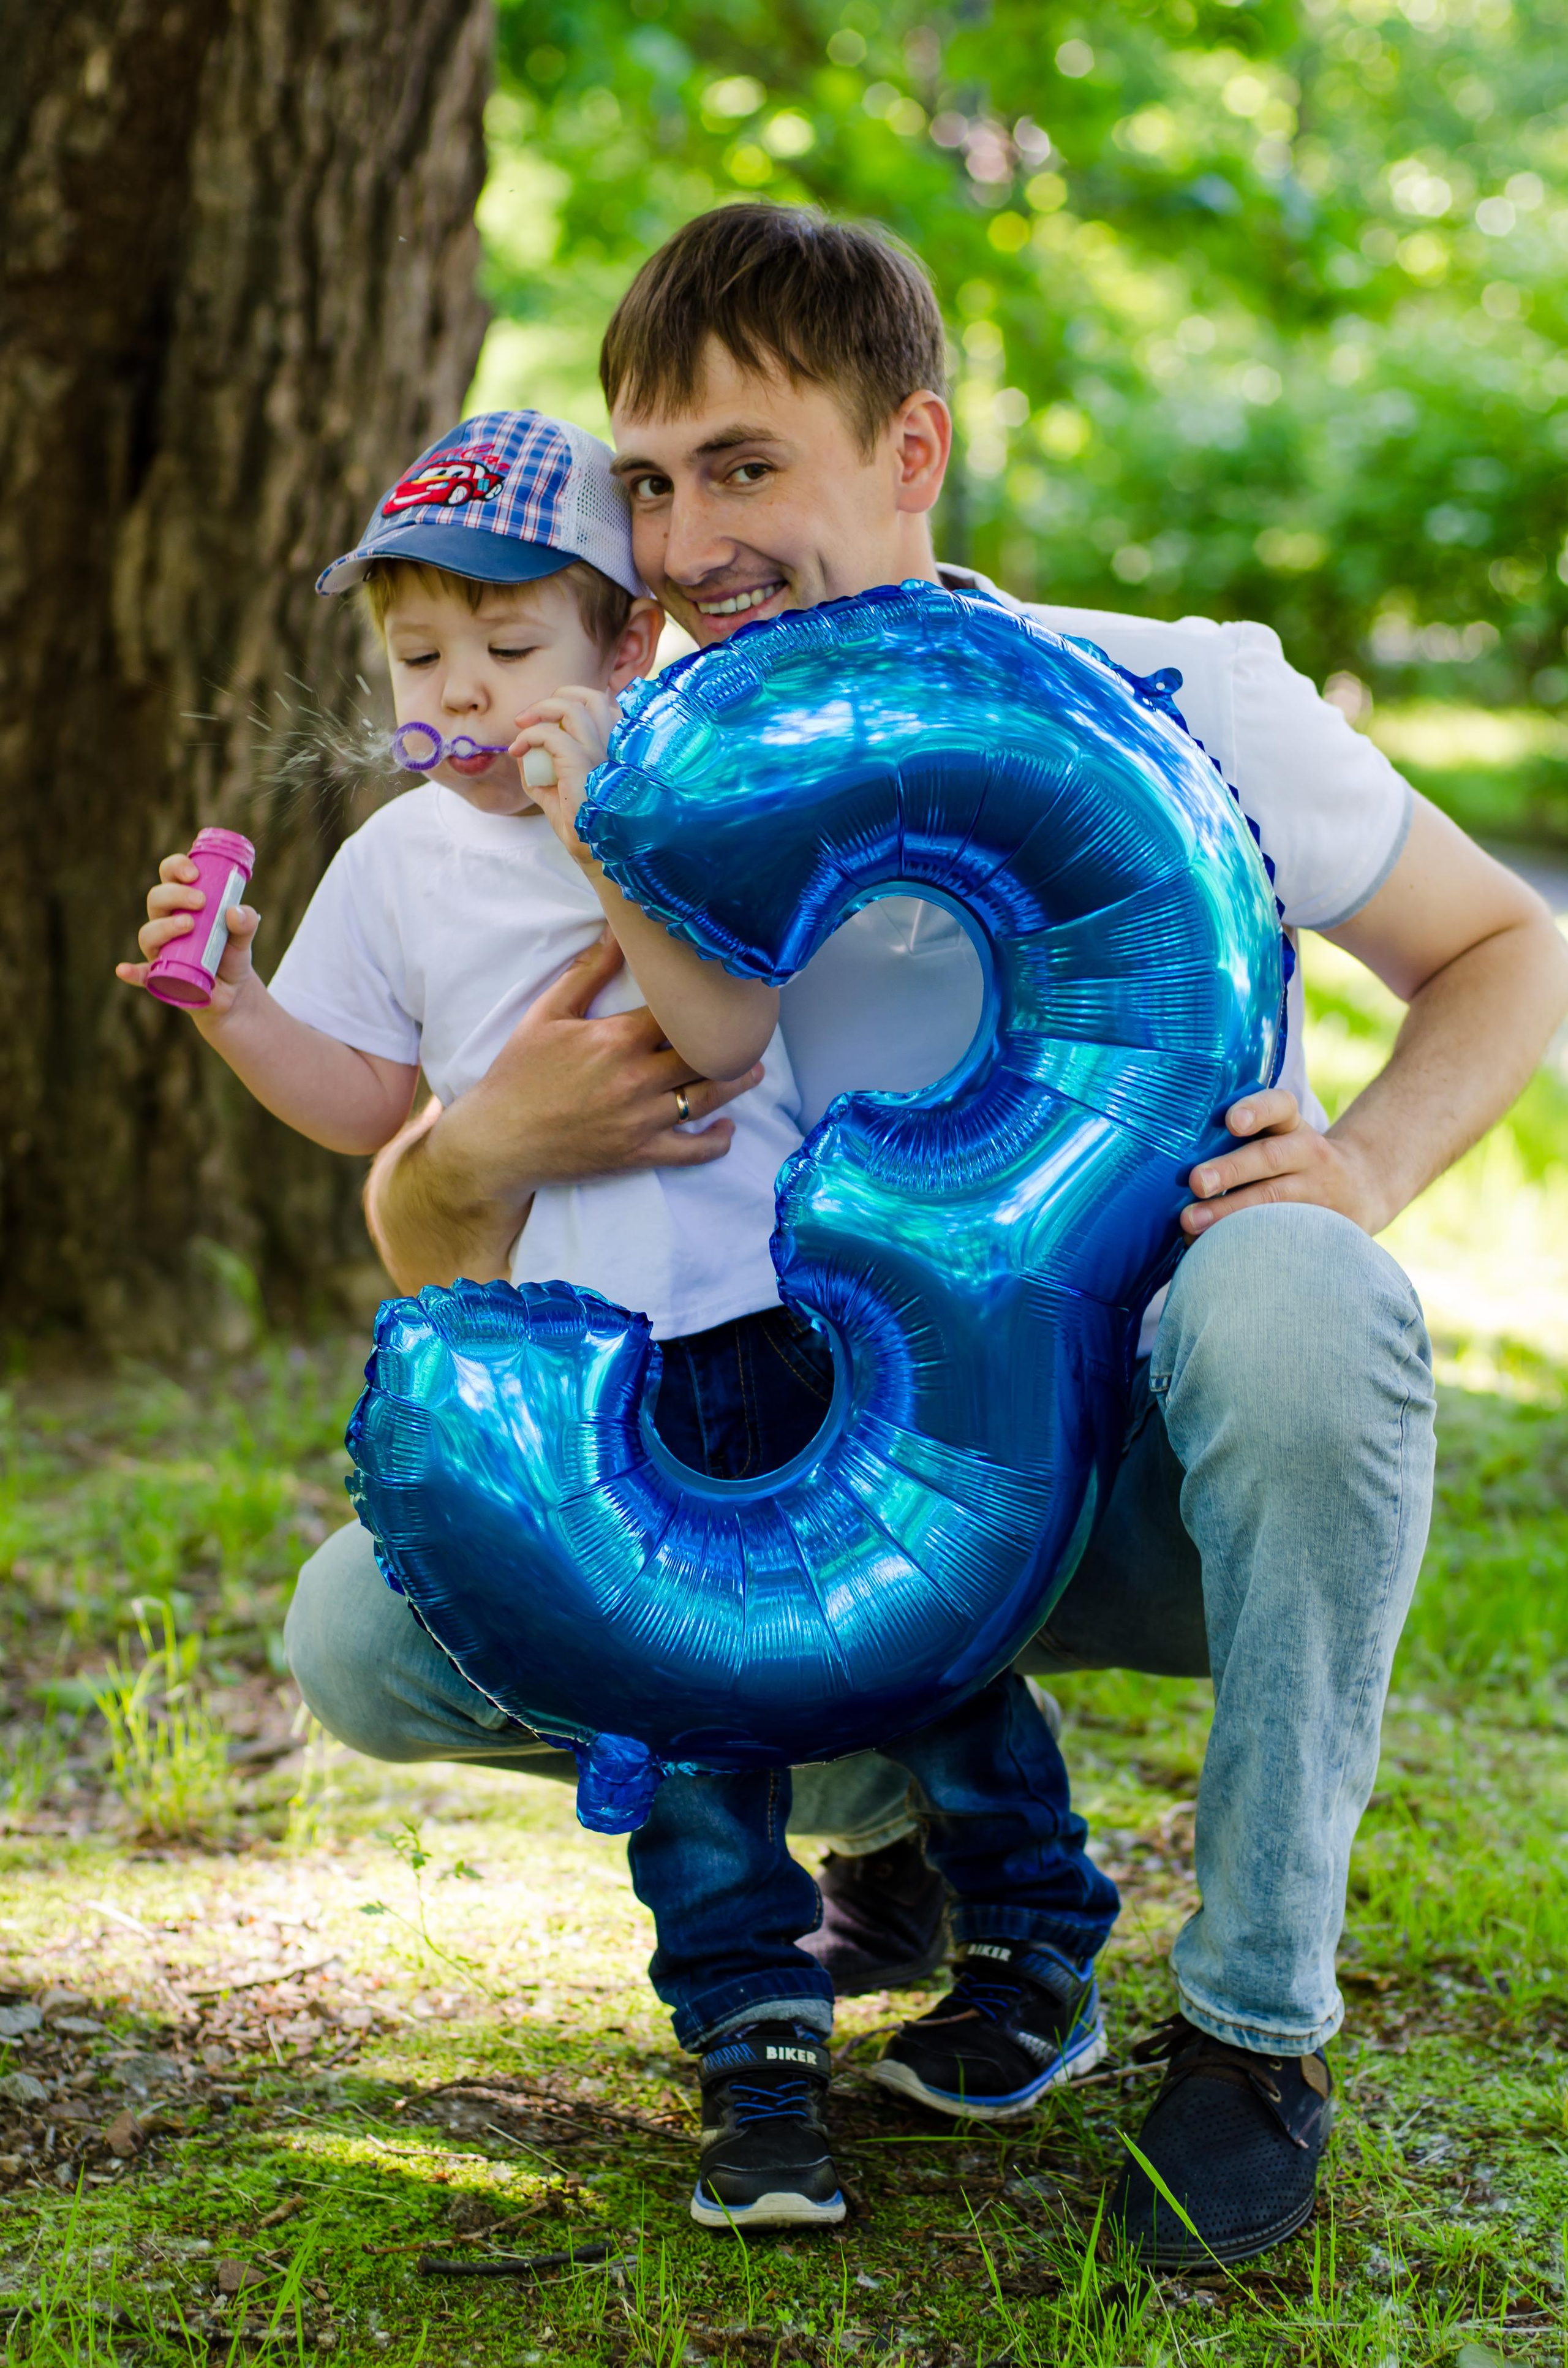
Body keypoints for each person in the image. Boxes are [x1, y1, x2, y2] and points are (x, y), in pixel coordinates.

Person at [284, 207, 1568, 2266]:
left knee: (1298, 1294)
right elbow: (446, 1217)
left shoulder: (1169, 689)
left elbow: (1508, 944)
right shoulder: (621, 778)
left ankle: (1253, 2027)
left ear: (913, 449)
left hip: (1144, 1475)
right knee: (365, 1629)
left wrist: (1369, 1161)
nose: (690, 543)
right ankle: (897, 1818)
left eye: (746, 466)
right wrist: (462, 1158)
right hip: (808, 1469)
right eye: (650, 484)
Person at [119, 403, 1118, 2230]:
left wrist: (608, 836)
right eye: (421, 656)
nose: (463, 693)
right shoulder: (400, 861)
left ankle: (1033, 1934)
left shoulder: (687, 791)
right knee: (672, 1712)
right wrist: (241, 1006)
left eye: (512, 649)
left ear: (625, 640)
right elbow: (367, 1099)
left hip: (795, 1324)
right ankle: (753, 2046)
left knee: (936, 1648)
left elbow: (724, 1033)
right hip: (596, 1369)